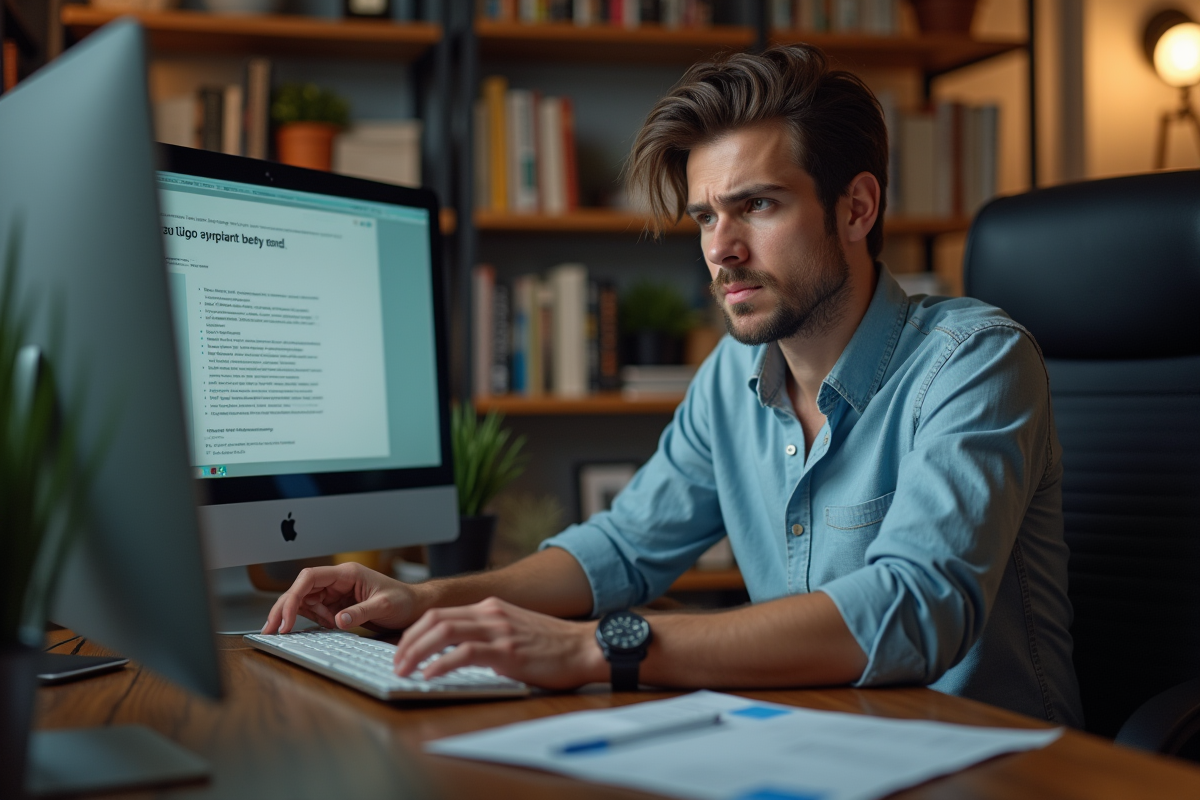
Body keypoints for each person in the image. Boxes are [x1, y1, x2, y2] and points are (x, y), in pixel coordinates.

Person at [263, 44, 1083, 726]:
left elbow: (915, 605)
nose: (720, 249)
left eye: (756, 205)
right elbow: (621, 551)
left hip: (988, 763)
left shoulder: (974, 361)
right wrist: (430, 598)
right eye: (704, 217)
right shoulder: (733, 375)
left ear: (857, 208)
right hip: (809, 744)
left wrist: (600, 647)